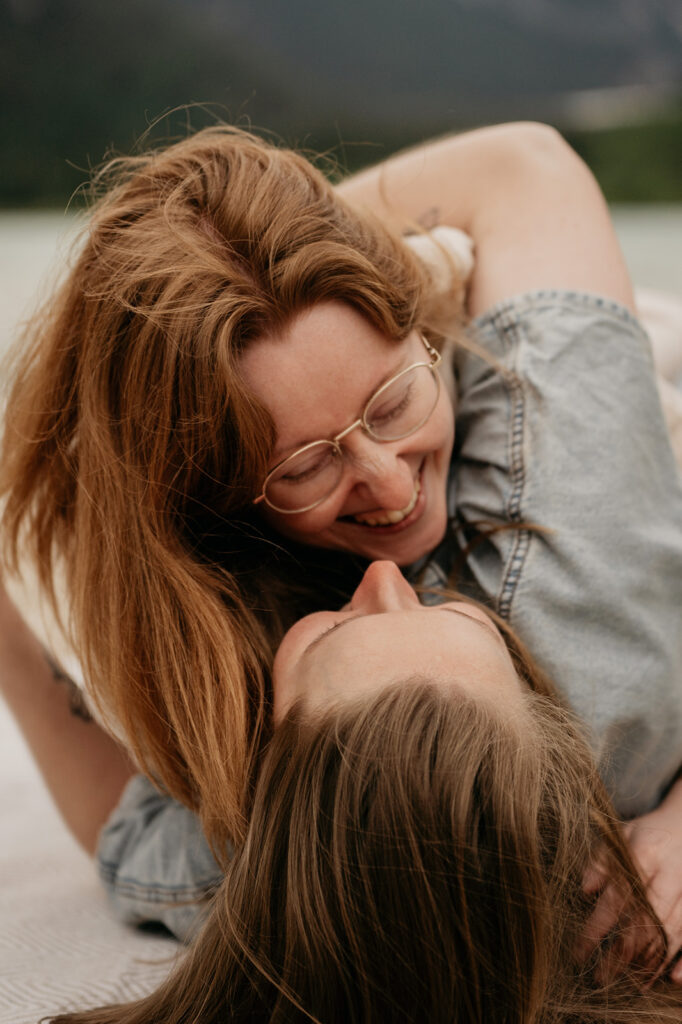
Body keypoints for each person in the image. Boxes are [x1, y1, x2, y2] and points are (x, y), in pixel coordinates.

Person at [3, 121, 682, 942]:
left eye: (393, 402)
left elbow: (126, 830)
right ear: (218, 510)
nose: (393, 487)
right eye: (304, 468)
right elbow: (523, 169)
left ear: (422, 330)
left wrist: (207, 267)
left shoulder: (285, 853)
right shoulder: (573, 586)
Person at [46, 560, 682, 1023]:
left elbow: (116, 821)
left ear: (266, 781)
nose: (385, 574)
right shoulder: (639, 896)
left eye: (328, 631)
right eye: (458, 614)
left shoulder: (220, 868)